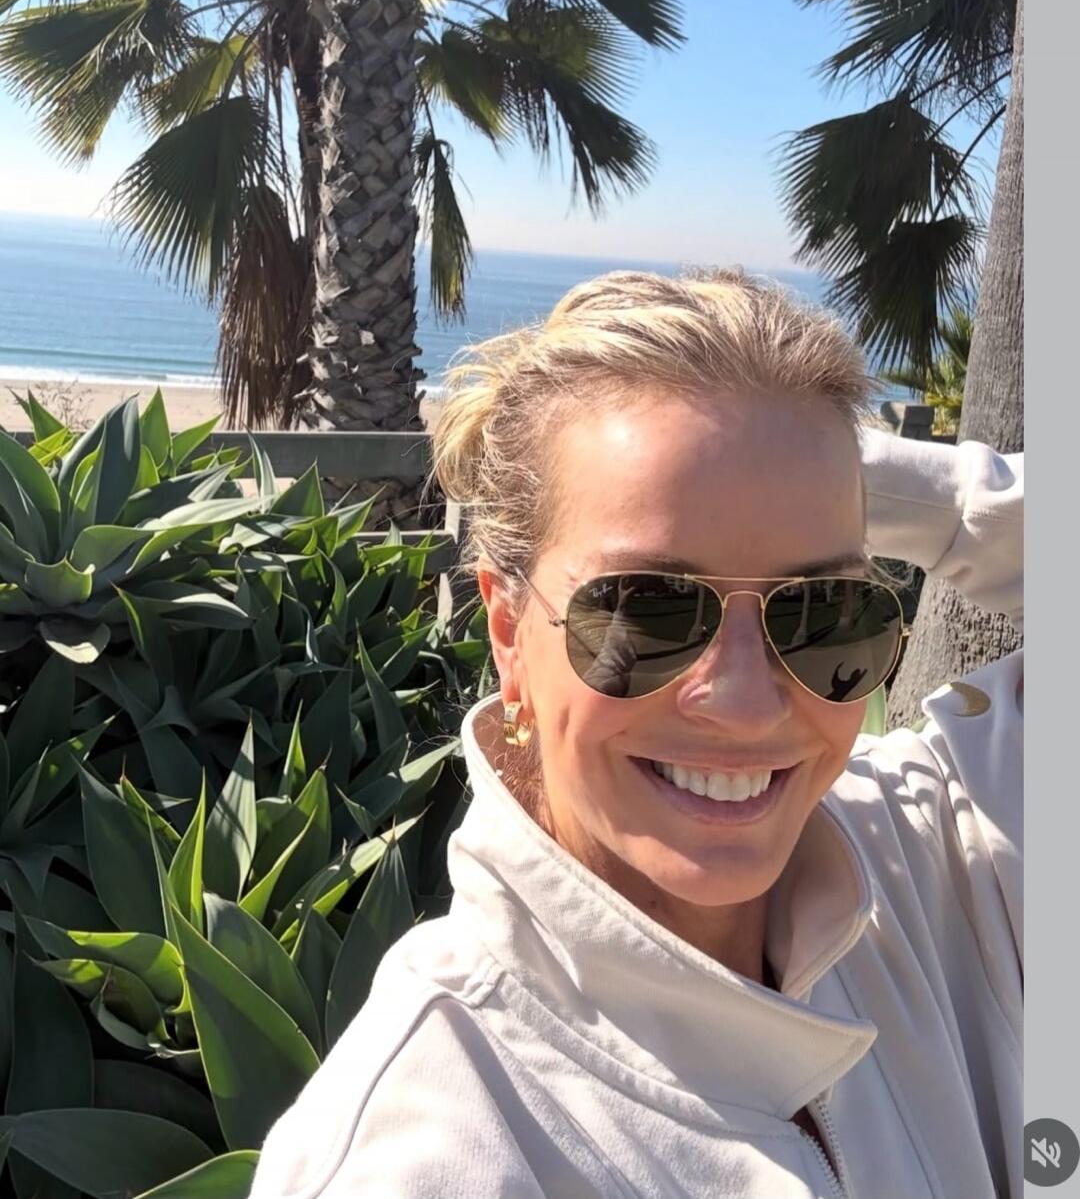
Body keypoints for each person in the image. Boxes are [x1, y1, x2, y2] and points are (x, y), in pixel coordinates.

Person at [251, 268, 1022, 1199]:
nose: (745, 702)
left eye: (822, 609)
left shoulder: (933, 849)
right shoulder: (434, 1149)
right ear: (507, 630)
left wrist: (816, 462)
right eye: (647, 611)